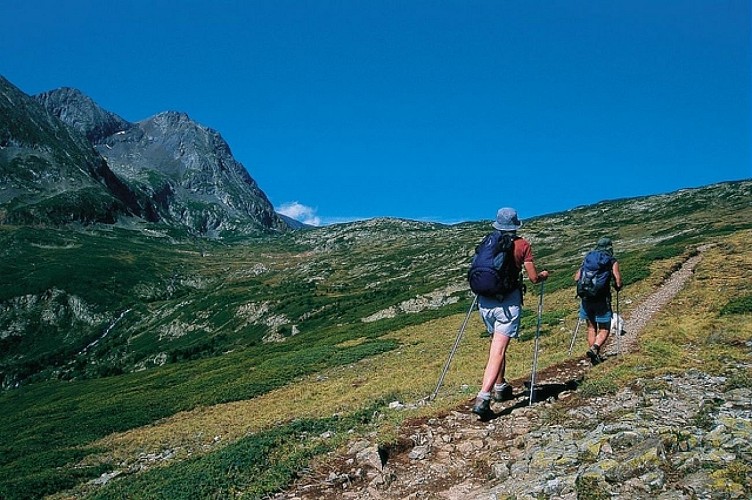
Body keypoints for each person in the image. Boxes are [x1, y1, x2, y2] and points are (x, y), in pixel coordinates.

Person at [471, 207, 549, 419]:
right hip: (507, 303)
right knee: (498, 349)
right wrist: (542, 275)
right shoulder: (522, 245)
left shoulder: (488, 242)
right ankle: (483, 397)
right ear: (516, 224)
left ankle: (500, 387)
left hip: (485, 303)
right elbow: (533, 278)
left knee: (495, 345)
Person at [573, 237, 623, 365]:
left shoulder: (589, 257)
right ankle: (595, 348)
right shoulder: (611, 260)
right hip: (602, 299)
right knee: (605, 328)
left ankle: (594, 356)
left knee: (591, 328)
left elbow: (576, 278)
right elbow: (617, 280)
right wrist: (617, 286)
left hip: (586, 298)